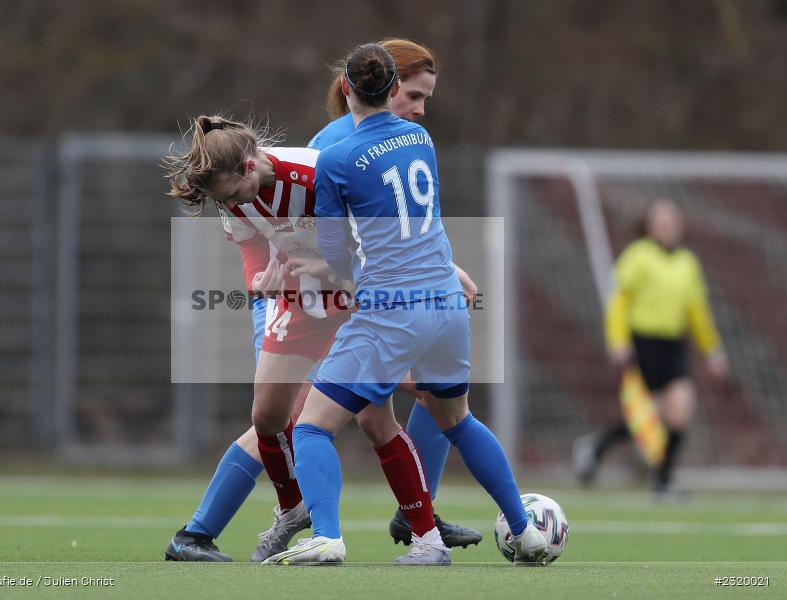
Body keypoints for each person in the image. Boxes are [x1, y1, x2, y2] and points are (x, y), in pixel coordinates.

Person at [262, 43, 548, 566]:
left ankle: (327, 536)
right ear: (393, 87)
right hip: (446, 302)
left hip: (392, 310)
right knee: (458, 419)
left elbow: (335, 253)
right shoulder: (421, 138)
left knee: (312, 426)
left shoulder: (336, 157)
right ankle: (524, 531)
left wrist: (324, 268)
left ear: (346, 87)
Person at [163, 115, 438, 563]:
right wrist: (259, 283)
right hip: (300, 302)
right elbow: (251, 245)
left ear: (249, 166)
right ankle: (292, 509)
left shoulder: (316, 172)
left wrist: (341, 274)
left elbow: (377, 241)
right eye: (224, 201)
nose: (231, 204)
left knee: (376, 419)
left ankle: (428, 537)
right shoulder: (232, 194)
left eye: (232, 194)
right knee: (267, 415)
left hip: (356, 301)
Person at [309, 38, 481, 550]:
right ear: (387, 86)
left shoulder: (402, 138)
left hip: (383, 299)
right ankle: (284, 519)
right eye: (415, 95)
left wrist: (445, 268)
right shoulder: (334, 146)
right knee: (286, 419)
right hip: (338, 298)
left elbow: (400, 229)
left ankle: (417, 520)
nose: (421, 109)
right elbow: (327, 242)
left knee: (399, 406)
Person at [574, 200, 728, 495]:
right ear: (649, 226)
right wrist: (617, 341)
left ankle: (663, 480)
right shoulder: (638, 256)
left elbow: (697, 311)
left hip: (674, 344)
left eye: (672, 222)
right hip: (643, 343)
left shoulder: (688, 263)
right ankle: (596, 447)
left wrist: (713, 349)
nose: (667, 228)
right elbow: (619, 303)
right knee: (646, 415)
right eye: (661, 223)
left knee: (680, 409)